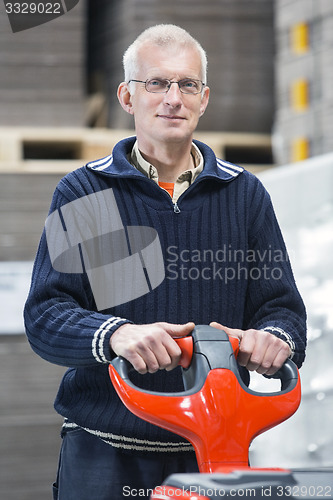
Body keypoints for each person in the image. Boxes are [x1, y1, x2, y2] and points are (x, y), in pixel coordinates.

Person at [24, 24, 306, 500]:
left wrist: (273, 341)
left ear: (204, 98)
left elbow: (283, 311)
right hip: (106, 454)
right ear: (127, 97)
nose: (173, 98)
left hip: (214, 450)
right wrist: (117, 335)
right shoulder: (88, 192)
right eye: (156, 83)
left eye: (187, 84)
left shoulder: (244, 194)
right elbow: (46, 317)